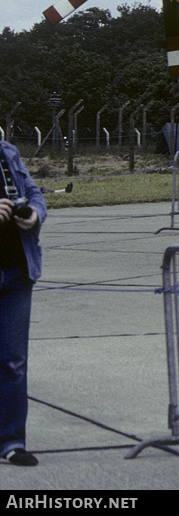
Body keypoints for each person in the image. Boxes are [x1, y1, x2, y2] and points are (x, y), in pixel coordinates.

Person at [0, 140, 44, 466]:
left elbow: (35, 192)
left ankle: (12, 441)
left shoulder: (7, 152)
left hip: (17, 273)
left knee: (14, 362)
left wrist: (35, 215)